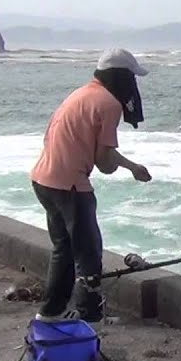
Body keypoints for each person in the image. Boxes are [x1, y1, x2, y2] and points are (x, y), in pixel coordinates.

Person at [28, 48, 153, 322]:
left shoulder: (82, 94)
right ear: (120, 77)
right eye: (131, 78)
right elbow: (104, 161)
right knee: (89, 253)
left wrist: (132, 168)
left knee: (64, 249)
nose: (133, 85)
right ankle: (88, 315)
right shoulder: (109, 104)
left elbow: (98, 151)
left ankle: (51, 313)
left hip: (43, 179)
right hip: (70, 185)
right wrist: (123, 167)